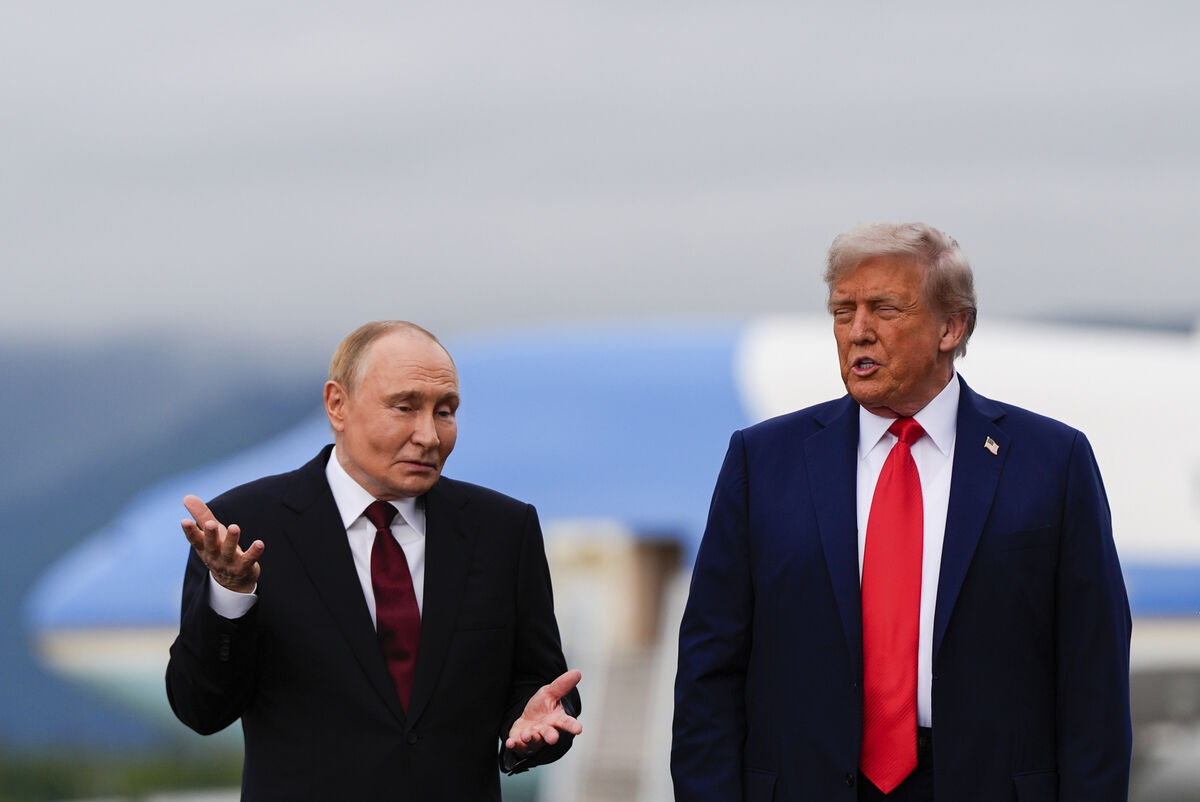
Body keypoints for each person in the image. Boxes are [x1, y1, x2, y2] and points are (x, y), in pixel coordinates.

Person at [672, 223, 1131, 801]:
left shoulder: (1052, 462)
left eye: (885, 309)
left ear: (951, 326)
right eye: (843, 311)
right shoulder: (762, 461)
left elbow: (1096, 676)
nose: (858, 331)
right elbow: (708, 670)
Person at [166, 321, 581, 801]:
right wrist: (230, 595)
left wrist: (535, 722)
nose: (428, 435)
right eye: (405, 408)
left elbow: (540, 683)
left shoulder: (503, 530)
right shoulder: (243, 527)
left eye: (445, 412)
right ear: (337, 405)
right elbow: (201, 709)